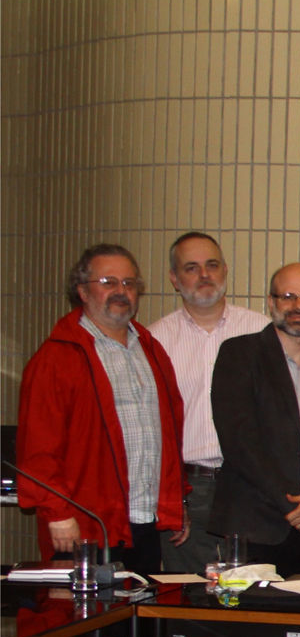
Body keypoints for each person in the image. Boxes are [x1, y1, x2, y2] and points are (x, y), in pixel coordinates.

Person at [17, 244, 188, 572]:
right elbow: (37, 449)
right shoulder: (56, 358)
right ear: (82, 291)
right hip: (85, 526)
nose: (121, 291)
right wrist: (57, 513)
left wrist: (176, 501)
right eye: (108, 282)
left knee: (142, 604)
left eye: (129, 283)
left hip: (144, 521)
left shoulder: (151, 350)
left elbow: (170, 434)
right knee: (88, 607)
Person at [210, 264, 300, 574]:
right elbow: (240, 443)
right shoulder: (240, 354)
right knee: (256, 608)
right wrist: (297, 508)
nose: (299, 306)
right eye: (288, 296)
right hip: (258, 525)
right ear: (271, 302)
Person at [147, 231, 272, 573]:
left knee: (252, 588)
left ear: (225, 270)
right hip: (188, 488)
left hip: (250, 486)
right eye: (191, 268)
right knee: (189, 592)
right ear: (174, 279)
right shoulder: (155, 339)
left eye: (212, 265)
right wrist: (170, 498)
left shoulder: (261, 331)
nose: (204, 275)